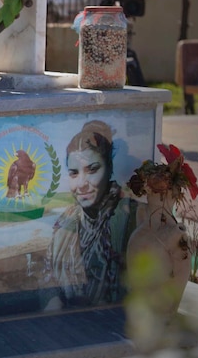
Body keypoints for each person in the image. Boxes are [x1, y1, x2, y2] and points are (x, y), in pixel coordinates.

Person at [42, 120, 137, 308]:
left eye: (92, 170)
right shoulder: (66, 221)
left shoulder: (128, 217)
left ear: (109, 169)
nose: (82, 183)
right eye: (74, 173)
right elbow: (48, 278)